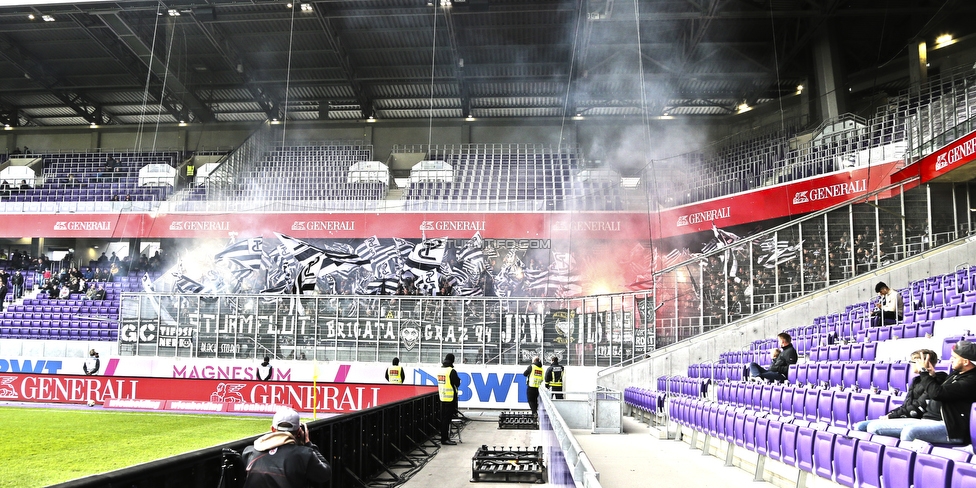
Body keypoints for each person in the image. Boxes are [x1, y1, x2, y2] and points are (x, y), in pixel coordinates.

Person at [854, 349, 946, 437]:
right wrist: (891, 414)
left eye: (913, 362)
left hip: (918, 420)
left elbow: (919, 407)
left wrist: (892, 417)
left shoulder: (938, 379)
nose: (911, 365)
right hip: (907, 416)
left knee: (873, 427)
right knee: (860, 426)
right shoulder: (916, 380)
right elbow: (906, 404)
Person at [901, 341, 976, 444]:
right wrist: (932, 376)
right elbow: (938, 390)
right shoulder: (956, 374)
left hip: (952, 428)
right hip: (930, 420)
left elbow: (937, 393)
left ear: (966, 362)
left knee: (909, 432)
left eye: (954, 358)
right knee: (874, 427)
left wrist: (923, 372)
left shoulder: (971, 380)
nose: (950, 360)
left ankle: (916, 459)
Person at [237, 407, 332, 488]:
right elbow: (325, 474)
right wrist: (308, 443)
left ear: (273, 429)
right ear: (299, 432)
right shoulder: (305, 454)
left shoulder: (249, 451)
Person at [437, 353, 461, 445]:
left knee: (443, 419)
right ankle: (445, 439)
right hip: (450, 398)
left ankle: (444, 437)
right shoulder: (451, 371)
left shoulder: (440, 370)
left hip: (442, 397)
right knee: (447, 420)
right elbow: (457, 383)